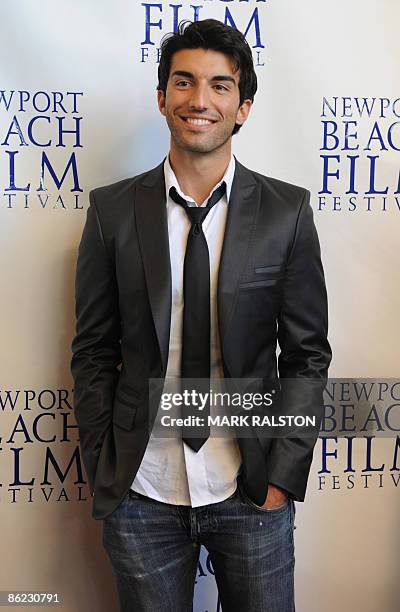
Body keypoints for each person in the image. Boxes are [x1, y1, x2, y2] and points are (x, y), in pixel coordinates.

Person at [71, 18, 331, 612]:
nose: (200, 100)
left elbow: (307, 354)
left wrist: (282, 476)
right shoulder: (112, 211)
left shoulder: (286, 212)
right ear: (162, 98)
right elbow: (92, 351)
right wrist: (106, 462)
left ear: (243, 107)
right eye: (184, 83)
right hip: (141, 491)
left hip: (251, 485)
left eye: (220, 85)